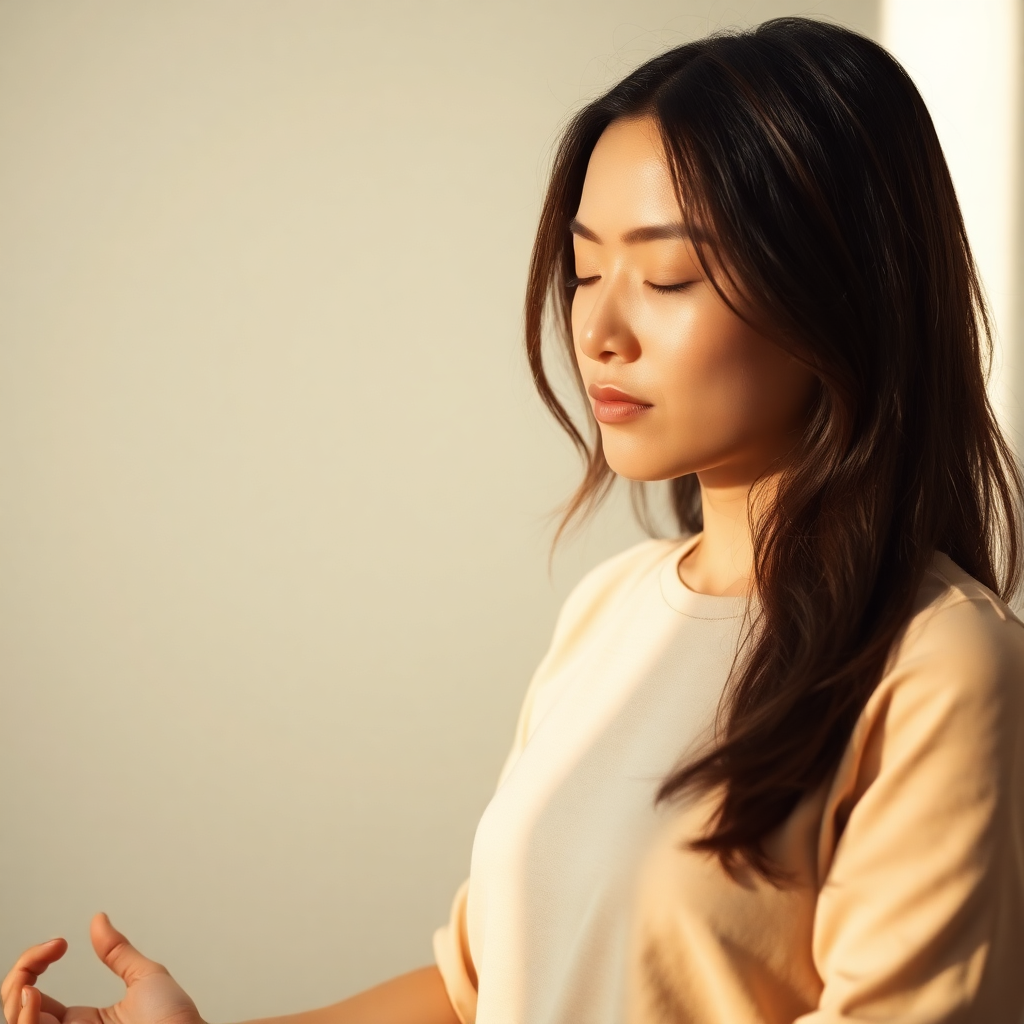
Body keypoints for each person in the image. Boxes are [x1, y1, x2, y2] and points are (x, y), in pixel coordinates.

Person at [6, 15, 1024, 1024]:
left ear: (840, 292)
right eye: (584, 270)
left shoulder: (939, 667)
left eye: (666, 274)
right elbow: (478, 989)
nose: (598, 328)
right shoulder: (611, 609)